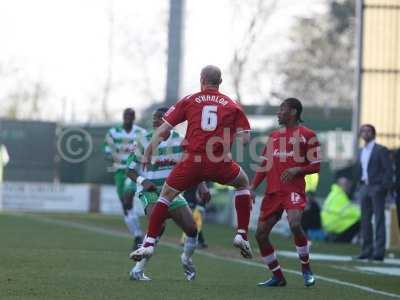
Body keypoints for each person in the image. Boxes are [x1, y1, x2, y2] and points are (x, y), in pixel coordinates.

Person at [130, 65, 253, 263]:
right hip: (219, 162)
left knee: (165, 196)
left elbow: (164, 129)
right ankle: (241, 234)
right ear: (220, 82)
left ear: (202, 79)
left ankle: (149, 243)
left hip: (191, 161)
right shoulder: (232, 104)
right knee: (243, 183)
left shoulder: (190, 100)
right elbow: (245, 140)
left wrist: (148, 150)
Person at [126, 107, 210, 281]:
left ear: (170, 121)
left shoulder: (181, 142)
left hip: (172, 192)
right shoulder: (143, 140)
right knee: (159, 224)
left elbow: (192, 167)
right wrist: (143, 181)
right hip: (150, 191)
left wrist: (202, 186)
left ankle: (186, 259)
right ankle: (137, 270)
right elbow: (130, 170)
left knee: (192, 229)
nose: (155, 121)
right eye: (154, 118)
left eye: (160, 118)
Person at [250, 98, 321, 287]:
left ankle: (306, 268)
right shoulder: (274, 136)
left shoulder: (308, 135)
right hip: (273, 192)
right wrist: (252, 188)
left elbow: (316, 166)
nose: (278, 113)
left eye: (282, 109)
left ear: (294, 112)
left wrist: (298, 169)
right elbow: (265, 164)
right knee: (260, 235)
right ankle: (278, 276)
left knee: (295, 223)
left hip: (293, 190)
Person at [104, 108, 147, 250]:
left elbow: (148, 148)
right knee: (125, 207)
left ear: (134, 118)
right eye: (126, 115)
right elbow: (107, 150)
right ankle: (137, 235)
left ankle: (138, 237)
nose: (128, 117)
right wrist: (111, 155)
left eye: (131, 115)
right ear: (123, 117)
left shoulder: (140, 133)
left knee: (128, 198)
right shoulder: (113, 132)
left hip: (132, 171)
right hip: (119, 172)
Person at [355, 124, 393, 261]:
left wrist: (383, 187)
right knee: (365, 221)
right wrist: (359, 185)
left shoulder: (380, 149)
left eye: (368, 131)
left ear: (373, 133)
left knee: (379, 220)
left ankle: (379, 252)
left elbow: (389, 170)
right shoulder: (360, 151)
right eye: (363, 131)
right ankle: (366, 250)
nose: (365, 133)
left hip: (377, 188)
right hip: (364, 187)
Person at [321, 177, 361, 243]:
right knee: (361, 221)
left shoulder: (334, 193)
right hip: (336, 228)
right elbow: (353, 213)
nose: (349, 187)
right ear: (340, 185)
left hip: (328, 227)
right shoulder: (340, 196)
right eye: (346, 184)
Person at [180, 184, 210, 249]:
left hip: (194, 206)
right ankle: (199, 241)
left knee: (193, 224)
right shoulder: (197, 183)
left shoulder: (194, 184)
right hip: (194, 206)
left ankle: (187, 240)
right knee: (194, 225)